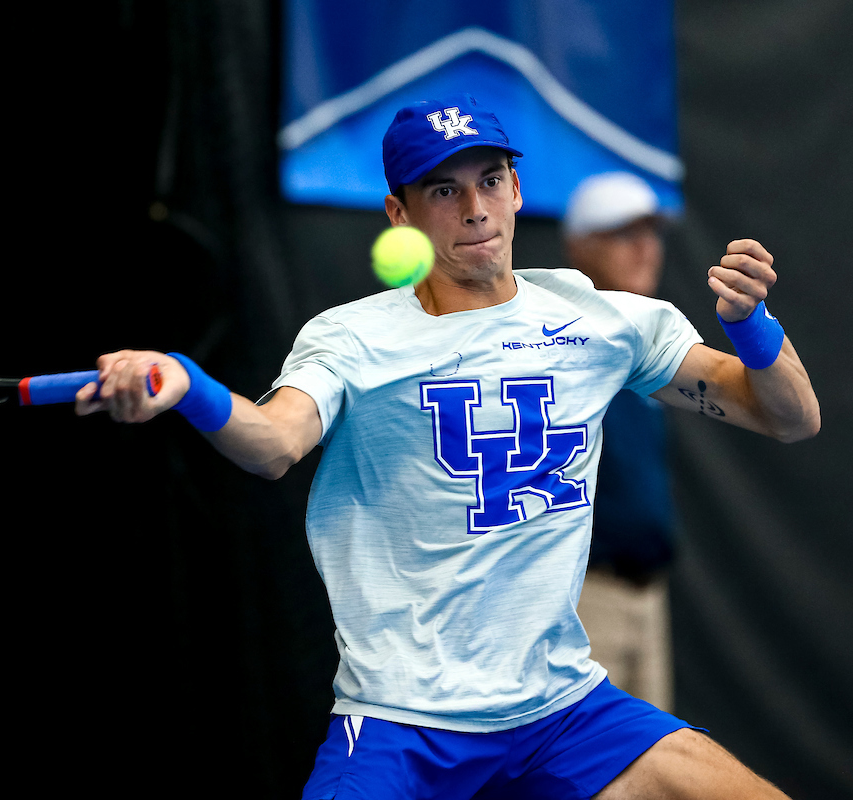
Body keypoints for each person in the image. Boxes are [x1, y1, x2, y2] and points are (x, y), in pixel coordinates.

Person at [76, 93, 819, 798]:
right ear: (399, 214)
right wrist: (188, 384)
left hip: (563, 713)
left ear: (518, 188)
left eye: (490, 180)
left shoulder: (603, 318)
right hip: (407, 723)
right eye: (443, 191)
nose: (475, 209)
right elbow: (272, 443)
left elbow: (789, 417)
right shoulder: (352, 337)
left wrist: (753, 326)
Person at [562, 172, 678, 712]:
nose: (643, 249)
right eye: (623, 234)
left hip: (647, 597)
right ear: (580, 247)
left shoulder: (653, 344)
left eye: (650, 233)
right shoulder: (555, 337)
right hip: (580, 599)